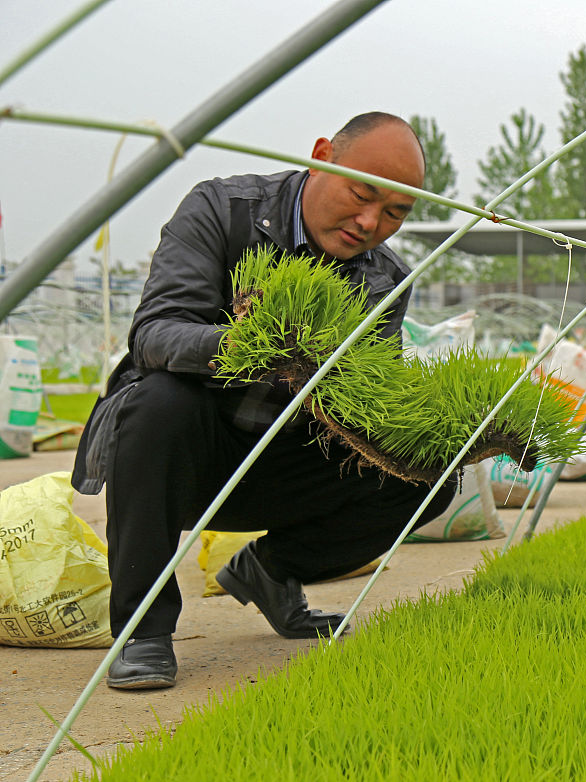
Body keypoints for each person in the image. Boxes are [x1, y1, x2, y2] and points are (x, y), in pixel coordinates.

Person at [71, 112, 457, 690]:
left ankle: (271, 571)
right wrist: (257, 345)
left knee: (429, 474)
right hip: (184, 455)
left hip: (283, 456)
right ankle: (143, 630)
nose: (370, 223)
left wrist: (450, 424)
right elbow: (154, 333)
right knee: (158, 401)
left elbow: (367, 400)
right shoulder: (223, 210)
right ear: (321, 157)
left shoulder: (384, 279)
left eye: (395, 213)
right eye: (361, 195)